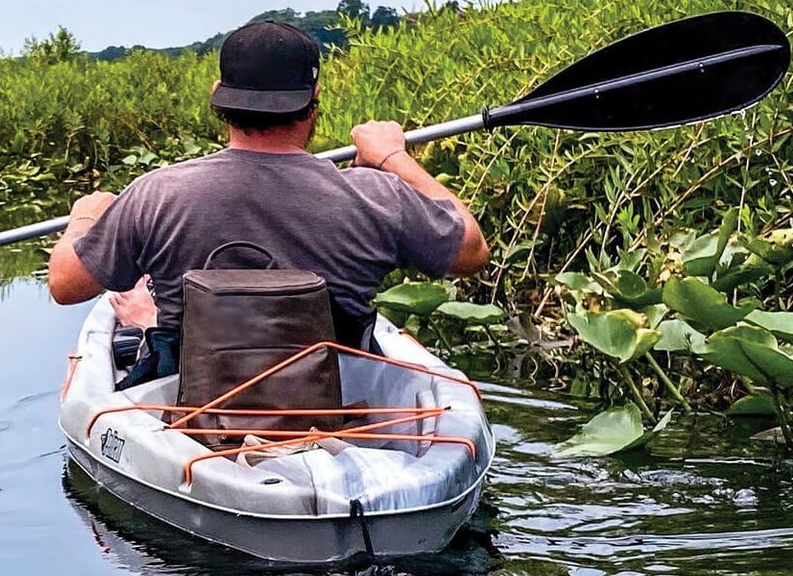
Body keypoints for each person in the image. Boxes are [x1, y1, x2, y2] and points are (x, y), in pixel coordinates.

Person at [46, 19, 487, 382]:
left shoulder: (157, 193)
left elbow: (65, 286)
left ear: (218, 95)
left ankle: (151, 321)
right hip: (333, 403)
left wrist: (86, 214)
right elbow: (471, 251)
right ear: (313, 98)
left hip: (199, 407)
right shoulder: (376, 193)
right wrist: (393, 158)